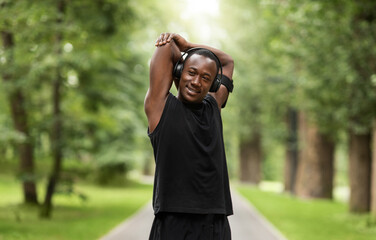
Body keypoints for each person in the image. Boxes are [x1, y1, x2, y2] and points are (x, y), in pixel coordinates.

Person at [144, 32, 234, 240]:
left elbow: (227, 62)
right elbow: (166, 48)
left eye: (205, 78)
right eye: (191, 72)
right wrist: (181, 48)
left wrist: (189, 46)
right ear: (178, 72)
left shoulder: (213, 107)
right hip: (174, 225)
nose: (196, 81)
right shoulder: (160, 108)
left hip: (216, 224)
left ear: (212, 84)